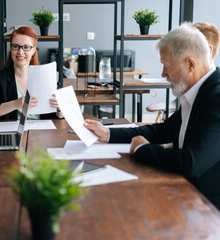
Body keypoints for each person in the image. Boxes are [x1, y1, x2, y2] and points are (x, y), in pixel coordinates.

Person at [84, 23, 220, 209]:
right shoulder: (199, 92)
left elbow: (191, 162)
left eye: (167, 67)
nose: (163, 74)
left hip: (208, 209)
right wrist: (108, 134)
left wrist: (143, 149)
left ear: (190, 64)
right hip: (188, 196)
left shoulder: (216, 97)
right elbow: (162, 130)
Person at [0, 26, 62, 120]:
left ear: (33, 50)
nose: (20, 52)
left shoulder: (45, 77)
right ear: (11, 48)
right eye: (16, 46)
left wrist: (60, 110)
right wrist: (16, 103)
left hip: (41, 132)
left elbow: (57, 117)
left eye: (26, 47)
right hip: (12, 132)